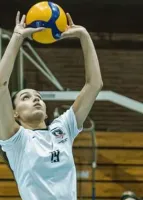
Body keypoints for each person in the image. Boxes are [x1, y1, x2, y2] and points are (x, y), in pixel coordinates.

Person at [0, 11, 103, 200]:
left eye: (38, 96)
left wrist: (84, 36)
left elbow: (94, 85)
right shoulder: (16, 141)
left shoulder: (62, 128)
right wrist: (17, 37)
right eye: (25, 97)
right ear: (14, 113)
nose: (36, 99)